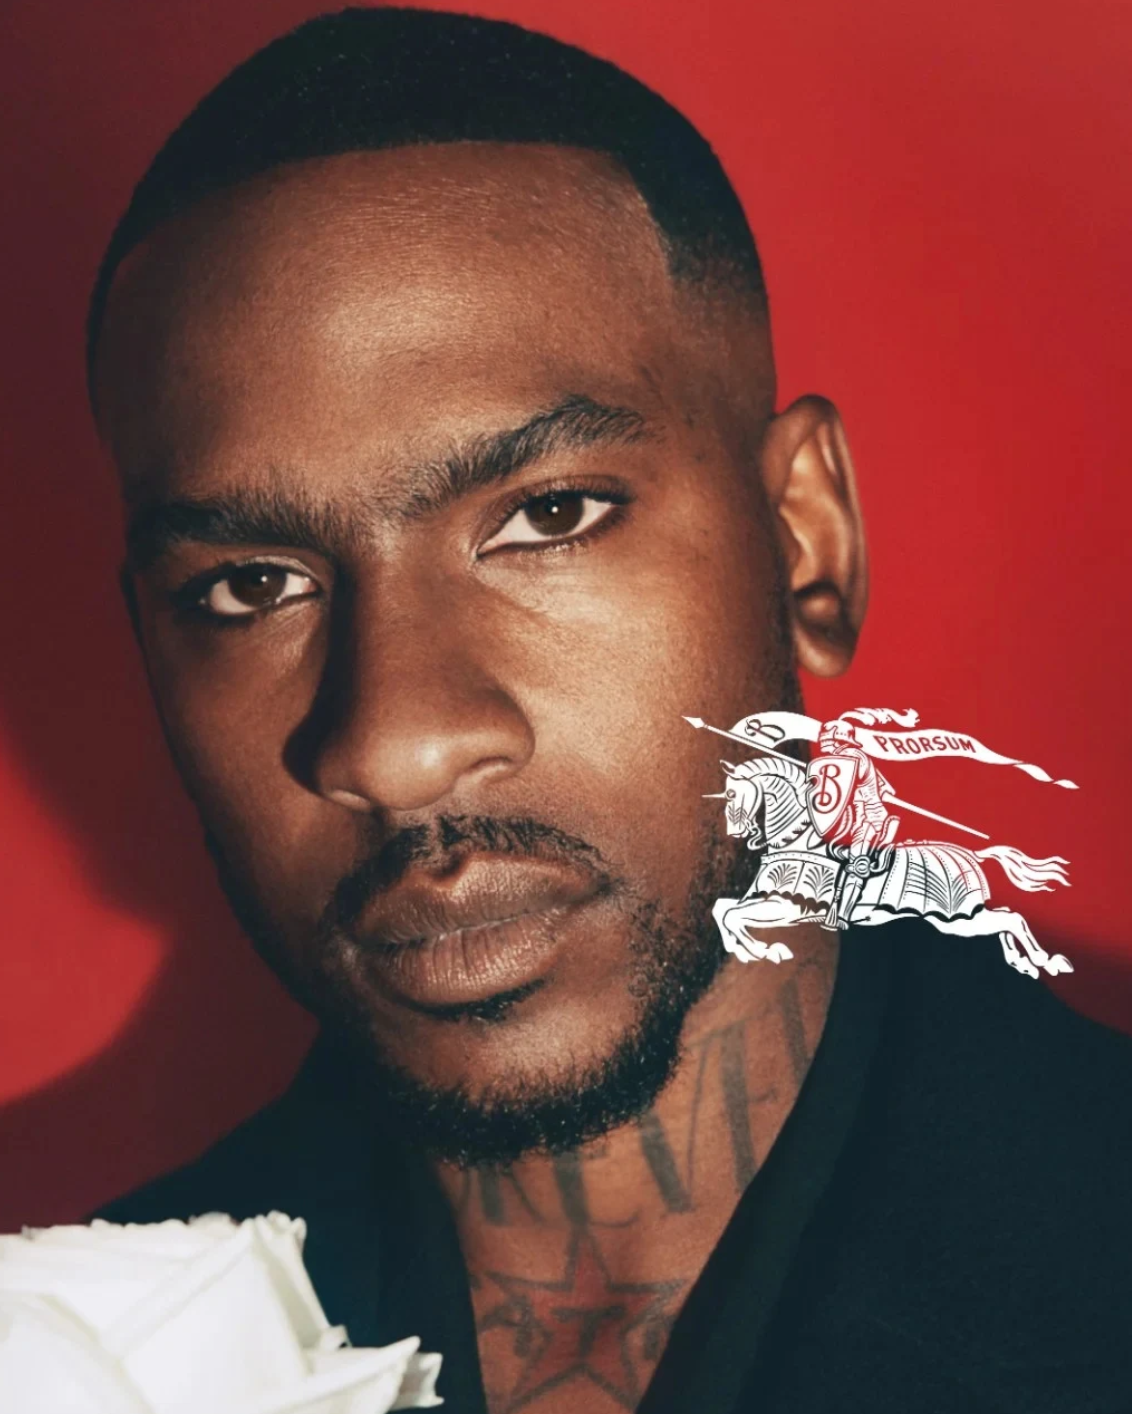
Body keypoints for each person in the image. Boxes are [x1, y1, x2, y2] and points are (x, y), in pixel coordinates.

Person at [87, 8, 1132, 1412]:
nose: (397, 745)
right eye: (251, 585)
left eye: (550, 515)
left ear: (804, 545)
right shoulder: (82, 1356)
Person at [809, 717, 900, 928]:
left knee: (857, 867)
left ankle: (842, 915)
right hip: (854, 817)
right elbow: (886, 788)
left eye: (828, 739)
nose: (824, 742)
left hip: (869, 818)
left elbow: (845, 784)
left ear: (839, 739)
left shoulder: (852, 757)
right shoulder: (848, 758)